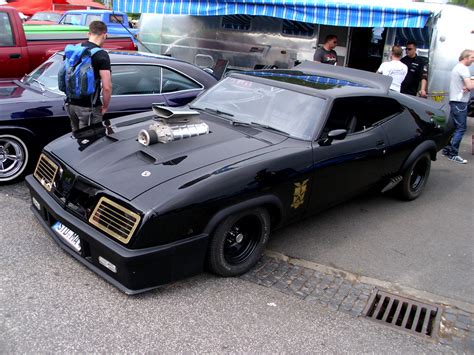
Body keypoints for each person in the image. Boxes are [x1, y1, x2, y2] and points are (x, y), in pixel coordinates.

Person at [64, 21, 112, 134]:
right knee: (92, 144)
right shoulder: (101, 55)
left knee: (76, 140)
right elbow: (107, 87)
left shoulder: (75, 50)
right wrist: (105, 107)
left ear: (88, 34)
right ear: (105, 35)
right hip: (89, 107)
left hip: (71, 104)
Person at [442, 49, 474, 164]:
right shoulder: (464, 69)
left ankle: (446, 150)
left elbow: (467, 85)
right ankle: (453, 154)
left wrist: (468, 85)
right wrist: (470, 84)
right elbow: (470, 86)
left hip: (455, 101)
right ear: (465, 57)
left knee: (454, 127)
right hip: (460, 102)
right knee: (461, 128)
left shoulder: (457, 67)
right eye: (472, 58)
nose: (473, 60)